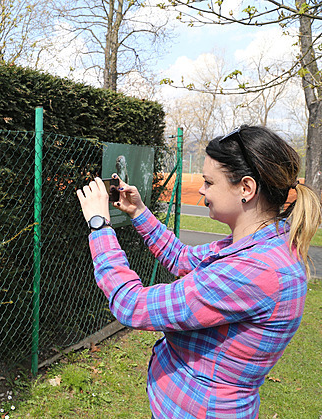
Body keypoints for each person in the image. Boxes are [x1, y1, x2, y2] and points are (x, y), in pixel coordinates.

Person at [76, 125, 321, 418]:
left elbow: (133, 305)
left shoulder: (256, 270)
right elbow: (182, 258)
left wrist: (99, 226)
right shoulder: (257, 245)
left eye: (209, 181)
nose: (202, 190)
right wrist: (139, 212)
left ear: (246, 188)